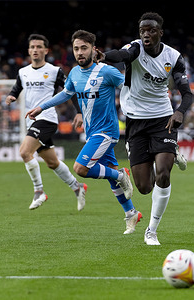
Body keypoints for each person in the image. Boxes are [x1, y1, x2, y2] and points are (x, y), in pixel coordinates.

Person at [26, 30, 142, 235]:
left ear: (93, 50)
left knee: (80, 168)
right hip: (92, 132)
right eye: (76, 48)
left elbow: (131, 87)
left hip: (107, 131)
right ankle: (131, 212)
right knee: (110, 178)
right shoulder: (75, 73)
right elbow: (65, 94)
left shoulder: (107, 71)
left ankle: (121, 175)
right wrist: (41, 108)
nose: (80, 52)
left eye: (84, 48)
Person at [96, 12, 193, 245]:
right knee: (144, 187)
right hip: (136, 121)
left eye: (151, 30)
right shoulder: (136, 48)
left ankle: (151, 230)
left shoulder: (174, 57)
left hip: (163, 119)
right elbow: (122, 54)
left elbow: (188, 93)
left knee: (163, 173)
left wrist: (180, 111)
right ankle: (169, 152)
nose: (146, 35)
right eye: (142, 31)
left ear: (160, 32)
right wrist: (104, 56)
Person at [5, 34, 87, 211]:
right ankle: (77, 186)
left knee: (25, 152)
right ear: (29, 50)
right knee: (52, 162)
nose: (35, 50)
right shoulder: (23, 72)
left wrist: (79, 112)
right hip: (31, 121)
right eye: (32, 47)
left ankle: (38, 191)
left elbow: (70, 91)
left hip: (47, 119)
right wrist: (12, 96)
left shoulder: (54, 71)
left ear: (45, 50)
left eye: (39, 47)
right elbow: (17, 88)